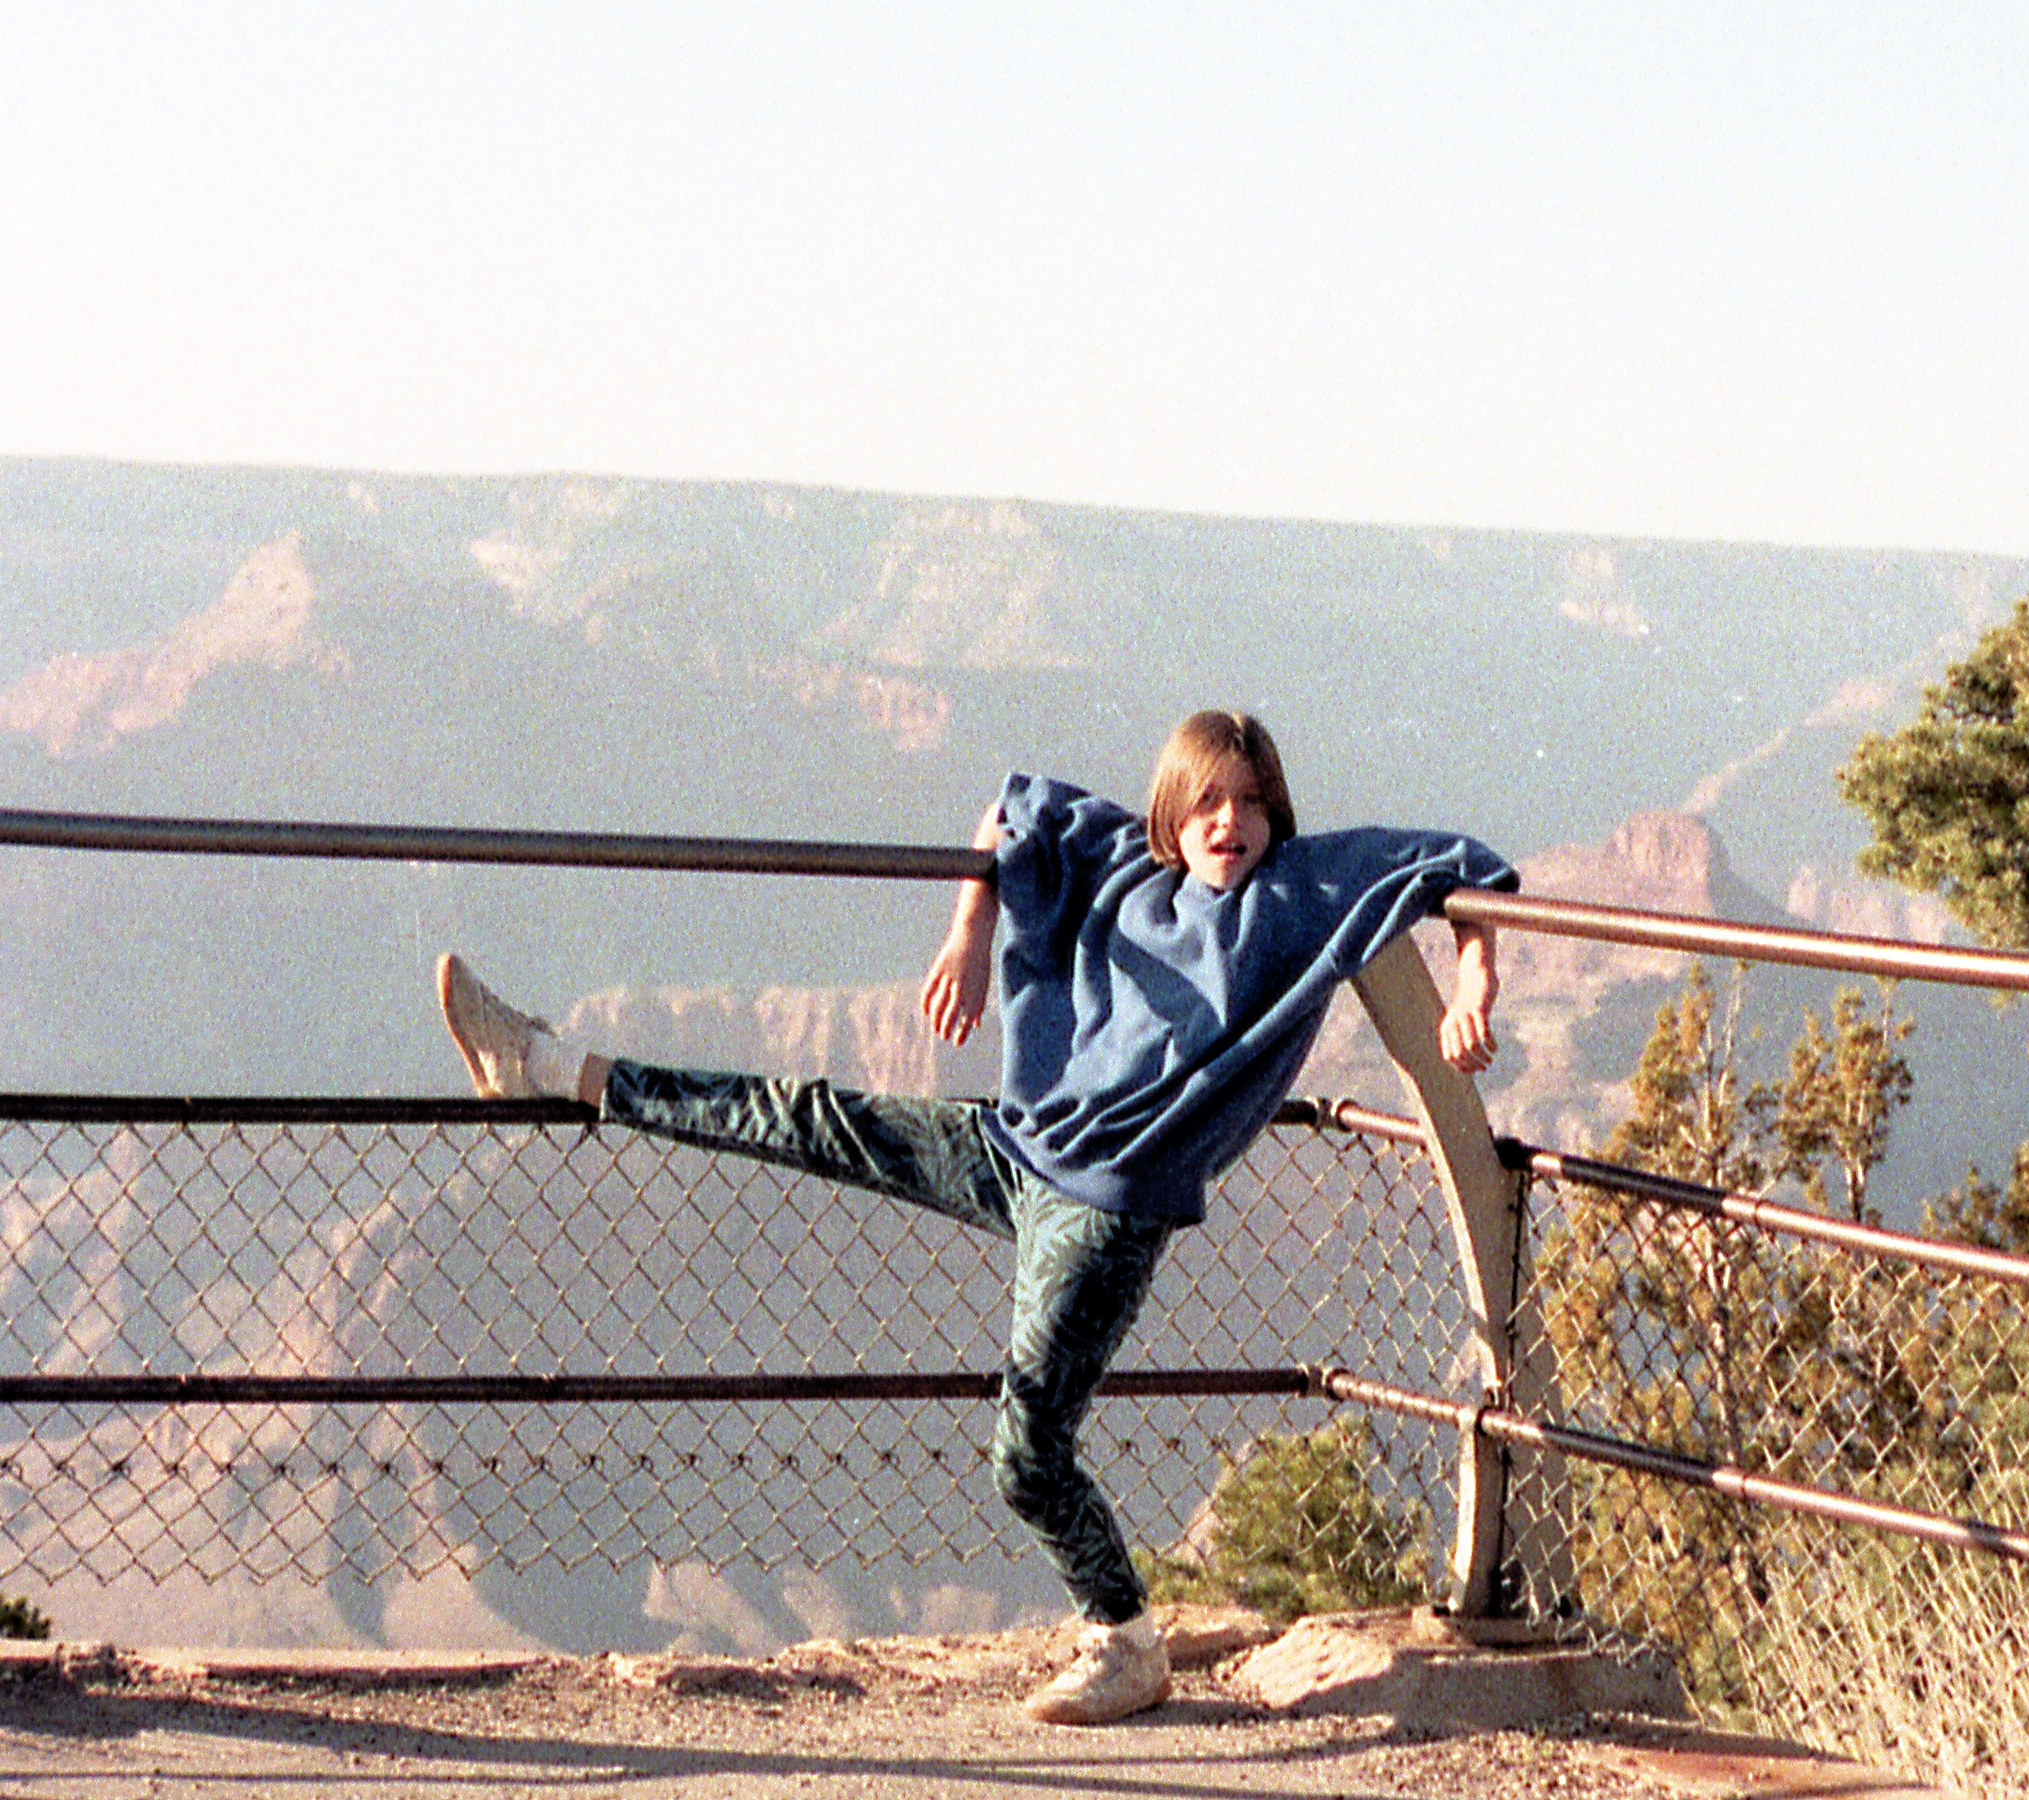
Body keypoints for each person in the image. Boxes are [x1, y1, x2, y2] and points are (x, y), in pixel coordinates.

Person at [436, 710, 1514, 1724]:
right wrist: (966, 930)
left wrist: (1474, 987)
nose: (1227, 823)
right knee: (799, 1112)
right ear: (1171, 815)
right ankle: (543, 1062)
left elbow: (1462, 874)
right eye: (1205, 804)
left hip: (1101, 1217)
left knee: (1026, 1454)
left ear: (1278, 810)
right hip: (1016, 1150)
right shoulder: (1129, 866)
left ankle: (1125, 1640)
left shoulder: (1298, 890)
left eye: (1249, 801)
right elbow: (1008, 814)